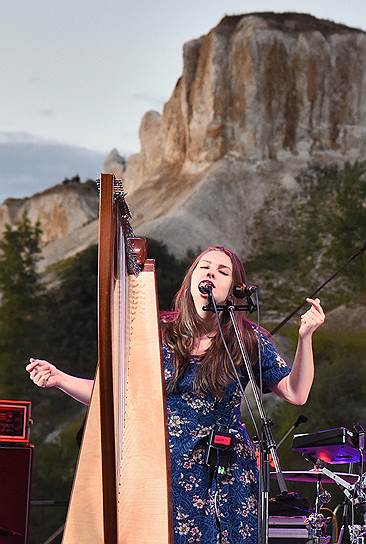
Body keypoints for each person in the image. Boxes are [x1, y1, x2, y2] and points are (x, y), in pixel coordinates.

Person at [26, 246, 325, 544]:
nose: (211, 273)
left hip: (227, 473)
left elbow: (295, 392)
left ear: (234, 291)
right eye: (204, 267)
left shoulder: (247, 338)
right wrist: (60, 378)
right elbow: (115, 396)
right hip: (164, 470)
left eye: (223, 272)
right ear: (191, 278)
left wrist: (305, 338)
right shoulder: (158, 332)